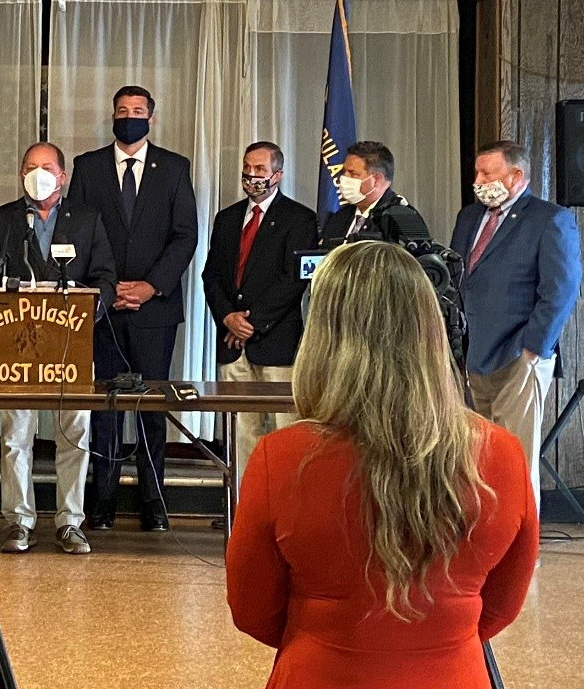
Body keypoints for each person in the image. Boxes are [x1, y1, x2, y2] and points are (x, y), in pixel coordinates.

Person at [226, 242, 539, 689]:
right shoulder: (502, 455)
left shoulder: (281, 458)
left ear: (321, 335)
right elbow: (502, 607)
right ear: (431, 331)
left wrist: (327, 631)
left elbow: (253, 611)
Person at [68, 85, 197, 531]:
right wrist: (107, 290)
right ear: (112, 117)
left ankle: (153, 502)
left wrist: (151, 287)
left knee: (151, 408)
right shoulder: (86, 167)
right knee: (103, 408)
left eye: (138, 111)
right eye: (122, 111)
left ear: (151, 119)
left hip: (154, 310)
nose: (129, 117)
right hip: (101, 309)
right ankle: (100, 504)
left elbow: (185, 236)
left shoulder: (175, 168)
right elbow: (78, 232)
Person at [0, 141, 116, 556]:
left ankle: (70, 522)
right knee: (15, 436)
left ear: (63, 175)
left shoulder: (87, 220)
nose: (39, 174)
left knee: (74, 434)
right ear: (21, 173)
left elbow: (106, 279)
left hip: (72, 345)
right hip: (15, 350)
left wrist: (88, 312)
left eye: (48, 167)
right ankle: (19, 522)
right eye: (31, 167)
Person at [453, 140, 581, 510]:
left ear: (516, 176)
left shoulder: (549, 219)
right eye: (477, 172)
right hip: (472, 354)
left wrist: (533, 350)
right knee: (477, 455)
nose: (478, 180)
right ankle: (483, 533)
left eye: (487, 173)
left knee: (515, 458)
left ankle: (519, 541)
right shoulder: (469, 218)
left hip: (518, 357)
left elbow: (559, 290)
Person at [201, 142, 318, 486]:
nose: (252, 176)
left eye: (260, 171)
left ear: (278, 175)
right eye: (247, 168)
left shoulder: (300, 219)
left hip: (277, 343)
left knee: (285, 431)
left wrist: (250, 322)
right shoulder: (226, 218)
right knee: (241, 433)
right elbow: (212, 276)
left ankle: (285, 505)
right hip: (232, 343)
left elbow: (295, 279)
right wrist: (227, 318)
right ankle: (244, 503)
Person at [319, 140, 430, 247]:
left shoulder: (403, 220)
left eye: (353, 174)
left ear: (377, 179)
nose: (344, 178)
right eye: (344, 172)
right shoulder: (340, 217)